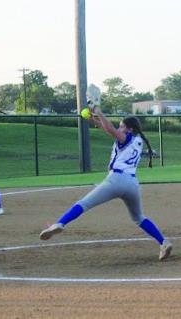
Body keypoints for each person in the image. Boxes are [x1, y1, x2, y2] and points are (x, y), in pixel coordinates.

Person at [39, 105, 172, 261]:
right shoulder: (137, 140)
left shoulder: (126, 138)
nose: (119, 128)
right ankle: (164, 242)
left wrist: (99, 111)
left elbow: (109, 129)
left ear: (129, 129)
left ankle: (60, 223)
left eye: (122, 126)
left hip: (116, 180)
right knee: (139, 218)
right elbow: (106, 127)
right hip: (132, 184)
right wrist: (92, 118)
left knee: (84, 203)